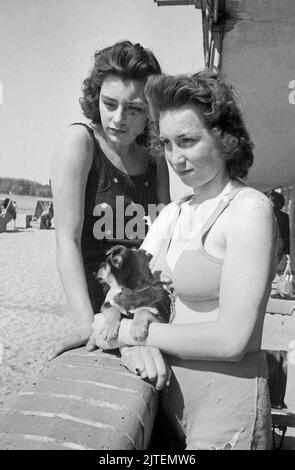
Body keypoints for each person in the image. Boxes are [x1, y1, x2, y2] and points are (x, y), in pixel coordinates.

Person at [89, 72, 277, 450]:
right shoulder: (172, 214)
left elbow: (232, 340)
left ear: (225, 139)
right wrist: (120, 333)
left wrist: (126, 334)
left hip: (228, 414)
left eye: (188, 141)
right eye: (167, 144)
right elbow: (125, 291)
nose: (175, 158)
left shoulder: (249, 210)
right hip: (168, 403)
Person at [48, 41, 170, 361]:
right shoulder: (80, 143)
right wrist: (87, 323)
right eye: (110, 103)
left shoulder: (156, 162)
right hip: (97, 316)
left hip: (142, 313)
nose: (118, 118)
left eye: (134, 108)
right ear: (95, 98)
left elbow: (162, 246)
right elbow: (67, 242)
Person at [267, 190, 290, 267]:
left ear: (273, 201)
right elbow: (286, 235)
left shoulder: (264, 213)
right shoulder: (284, 216)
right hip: (278, 248)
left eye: (269, 198)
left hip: (264, 245)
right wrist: (287, 253)